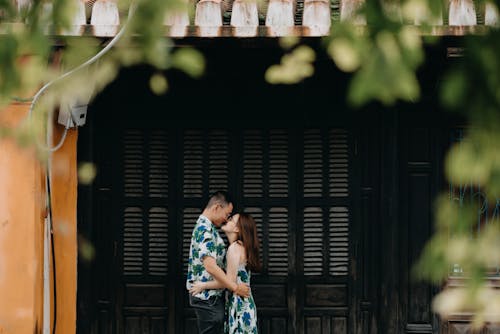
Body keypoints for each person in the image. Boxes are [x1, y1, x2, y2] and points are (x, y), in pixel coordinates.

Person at [186, 191, 251, 334]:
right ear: (216, 207)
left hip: (211, 296)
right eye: (227, 214)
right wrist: (235, 287)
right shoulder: (205, 229)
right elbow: (210, 266)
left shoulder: (208, 228)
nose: (226, 219)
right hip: (208, 298)